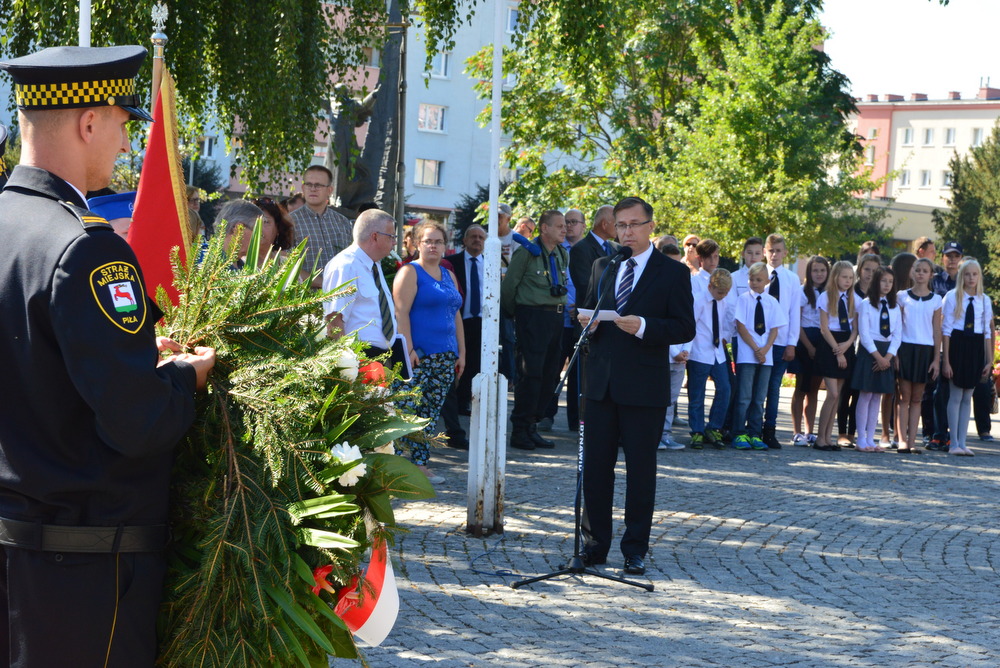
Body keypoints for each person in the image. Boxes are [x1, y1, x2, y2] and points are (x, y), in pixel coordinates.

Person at [0, 44, 216, 666]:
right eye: (124, 122)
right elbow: (138, 420)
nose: (126, 143)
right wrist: (182, 375)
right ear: (87, 121)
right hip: (84, 574)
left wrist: (134, 350)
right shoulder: (86, 249)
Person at [577, 196, 695, 575]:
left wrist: (644, 326)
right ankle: (594, 545)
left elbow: (684, 327)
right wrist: (589, 324)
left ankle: (635, 548)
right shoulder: (604, 264)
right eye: (620, 225)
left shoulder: (672, 273)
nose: (626, 232)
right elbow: (590, 309)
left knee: (640, 471)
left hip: (644, 387)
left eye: (633, 225)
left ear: (649, 226)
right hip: (600, 385)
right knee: (596, 469)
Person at [392, 220, 465, 481]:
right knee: (407, 408)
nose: (433, 245)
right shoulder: (410, 272)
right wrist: (408, 348)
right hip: (418, 354)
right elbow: (400, 312)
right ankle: (399, 467)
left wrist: (462, 352)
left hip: (446, 355)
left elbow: (456, 314)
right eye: (428, 241)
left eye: (438, 241)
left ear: (446, 245)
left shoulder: (449, 274)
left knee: (431, 412)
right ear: (417, 244)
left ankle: (421, 465)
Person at [500, 210, 569, 451]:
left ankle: (533, 425)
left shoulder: (561, 253)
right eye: (559, 226)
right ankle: (520, 429)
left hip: (556, 318)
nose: (564, 229)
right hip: (533, 317)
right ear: (544, 228)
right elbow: (509, 288)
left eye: (565, 226)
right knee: (531, 374)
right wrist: (515, 315)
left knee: (550, 374)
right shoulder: (527, 253)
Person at [322, 208, 398, 362]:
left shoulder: (374, 265)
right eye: (391, 237)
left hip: (378, 358)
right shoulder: (345, 265)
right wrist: (345, 365)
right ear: (375, 237)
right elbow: (334, 320)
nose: (395, 242)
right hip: (358, 358)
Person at [732, 262, 787, 450]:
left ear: (767, 281)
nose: (754, 283)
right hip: (748, 354)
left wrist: (765, 349)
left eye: (758, 280)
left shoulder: (772, 302)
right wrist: (756, 348)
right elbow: (741, 326)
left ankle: (754, 433)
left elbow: (774, 328)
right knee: (744, 396)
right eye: (751, 279)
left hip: (766, 356)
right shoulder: (743, 299)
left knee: (759, 397)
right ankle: (738, 433)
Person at [942, 259, 993, 456]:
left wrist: (989, 360)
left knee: (967, 396)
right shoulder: (953, 297)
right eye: (967, 274)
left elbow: (987, 333)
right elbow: (946, 330)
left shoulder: (984, 300)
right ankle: (953, 442)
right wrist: (946, 360)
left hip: (975, 347)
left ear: (979, 276)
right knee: (955, 395)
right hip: (957, 344)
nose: (971, 278)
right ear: (961, 276)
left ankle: (963, 442)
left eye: (975, 274)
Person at [852, 267, 901, 452]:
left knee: (877, 397)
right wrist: (878, 357)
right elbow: (864, 334)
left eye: (890, 281)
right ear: (875, 282)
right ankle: (861, 439)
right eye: (883, 281)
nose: (887, 285)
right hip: (870, 352)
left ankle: (871, 438)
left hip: (886, 352)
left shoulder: (895, 306)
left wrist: (888, 357)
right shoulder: (866, 304)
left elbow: (897, 334)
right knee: (865, 395)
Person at [896, 258, 941, 454]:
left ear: (931, 275)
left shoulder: (936, 300)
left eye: (925, 271)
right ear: (912, 273)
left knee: (917, 398)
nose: (921, 273)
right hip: (905, 348)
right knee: (903, 396)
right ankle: (902, 440)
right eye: (918, 270)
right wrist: (895, 354)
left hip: (925, 350)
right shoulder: (901, 296)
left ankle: (913, 440)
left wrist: (937, 359)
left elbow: (937, 331)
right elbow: (897, 327)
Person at [685, 268, 733, 450]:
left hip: (717, 352)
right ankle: (697, 431)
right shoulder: (698, 300)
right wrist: (686, 350)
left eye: (726, 293)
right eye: (720, 292)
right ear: (710, 286)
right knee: (697, 394)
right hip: (699, 352)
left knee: (725, 388)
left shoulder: (722, 300)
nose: (723, 296)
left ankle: (714, 427)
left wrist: (725, 338)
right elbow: (690, 326)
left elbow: (725, 322)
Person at [761, 234, 801, 449]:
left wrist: (791, 343)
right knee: (758, 387)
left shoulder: (791, 279)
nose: (774, 254)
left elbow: (794, 312)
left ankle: (770, 429)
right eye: (770, 250)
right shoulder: (758, 275)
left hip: (782, 341)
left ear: (785, 253)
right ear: (765, 252)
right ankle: (753, 428)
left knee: (774, 387)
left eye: (778, 250)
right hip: (759, 341)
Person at [837, 253, 881, 447]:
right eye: (867, 269)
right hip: (849, 345)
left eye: (874, 270)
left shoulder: (879, 295)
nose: (870, 274)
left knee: (861, 392)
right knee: (845, 390)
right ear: (859, 270)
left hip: (868, 349)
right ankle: (842, 432)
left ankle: (855, 432)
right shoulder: (849, 292)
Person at [815, 261, 858, 451]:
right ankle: (819, 438)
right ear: (835, 277)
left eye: (850, 277)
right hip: (830, 344)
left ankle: (828, 438)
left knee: (838, 396)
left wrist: (848, 344)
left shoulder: (853, 298)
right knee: (831, 393)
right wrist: (838, 351)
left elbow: (855, 328)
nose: (847, 281)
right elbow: (824, 328)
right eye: (844, 277)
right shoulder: (825, 297)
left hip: (845, 342)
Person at [926, 241, 963, 450]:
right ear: (943, 258)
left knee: (955, 392)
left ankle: (953, 435)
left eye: (956, 256)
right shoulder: (935, 282)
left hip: (959, 342)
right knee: (937, 391)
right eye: (949, 255)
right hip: (937, 341)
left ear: (961, 259)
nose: (952, 260)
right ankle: (936, 434)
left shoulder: (966, 283)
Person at [291, 165, 354, 287]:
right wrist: (326, 284)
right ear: (303, 188)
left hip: (342, 298)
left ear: (329, 190)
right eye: (309, 185)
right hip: (306, 301)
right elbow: (287, 266)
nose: (313, 189)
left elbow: (352, 261)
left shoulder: (343, 222)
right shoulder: (290, 222)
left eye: (318, 185)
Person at [791, 255, 829, 446]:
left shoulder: (830, 293)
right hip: (804, 340)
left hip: (822, 341)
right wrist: (808, 346)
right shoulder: (802, 292)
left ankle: (809, 430)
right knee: (800, 387)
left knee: (814, 389)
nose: (819, 274)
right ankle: (797, 431)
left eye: (822, 270)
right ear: (809, 272)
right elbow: (796, 323)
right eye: (815, 270)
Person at [216, 199, 265, 268]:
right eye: (258, 234)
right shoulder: (206, 265)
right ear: (239, 229)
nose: (260, 241)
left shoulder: (247, 269)